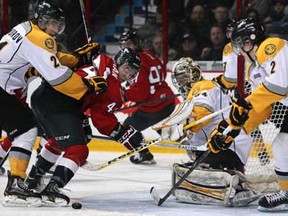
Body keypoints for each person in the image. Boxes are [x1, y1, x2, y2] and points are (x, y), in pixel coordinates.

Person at [0, 0, 106, 207]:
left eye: (59, 25)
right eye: (54, 24)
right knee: (26, 131)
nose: (56, 30)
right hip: (2, 89)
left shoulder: (26, 28)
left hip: (4, 88)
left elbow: (49, 59)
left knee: (22, 129)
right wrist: (87, 85)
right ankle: (15, 185)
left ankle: (16, 182)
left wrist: (77, 59)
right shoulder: (39, 39)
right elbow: (57, 77)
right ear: (43, 21)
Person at [25, 47, 148, 206]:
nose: (128, 75)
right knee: (79, 149)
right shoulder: (113, 87)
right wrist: (124, 134)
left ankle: (33, 180)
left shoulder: (101, 59)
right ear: (119, 63)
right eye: (127, 69)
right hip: (59, 104)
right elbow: (101, 120)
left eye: (133, 73)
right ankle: (52, 189)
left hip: (41, 96)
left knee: (61, 140)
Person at [207, 17, 288, 212]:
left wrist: (245, 104)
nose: (239, 50)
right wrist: (231, 130)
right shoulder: (254, 69)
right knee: (281, 143)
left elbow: (278, 88)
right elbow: (262, 108)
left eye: (239, 44)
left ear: (249, 41)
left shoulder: (271, 46)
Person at [157, 57, 258, 206]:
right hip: (220, 145)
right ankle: (231, 175)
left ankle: (237, 184)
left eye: (184, 78)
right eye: (179, 81)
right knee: (187, 167)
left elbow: (202, 113)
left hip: (227, 144)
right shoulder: (195, 93)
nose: (181, 83)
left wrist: (183, 125)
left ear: (194, 74)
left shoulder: (202, 86)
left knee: (192, 171)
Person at [119, 29, 176, 164]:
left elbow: (141, 94)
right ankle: (197, 152)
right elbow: (161, 73)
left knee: (127, 129)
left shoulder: (137, 62)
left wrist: (124, 95)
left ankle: (144, 154)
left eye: (129, 44)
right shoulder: (149, 55)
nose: (126, 47)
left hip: (153, 107)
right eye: (123, 44)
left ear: (136, 44)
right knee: (168, 131)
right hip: (166, 101)